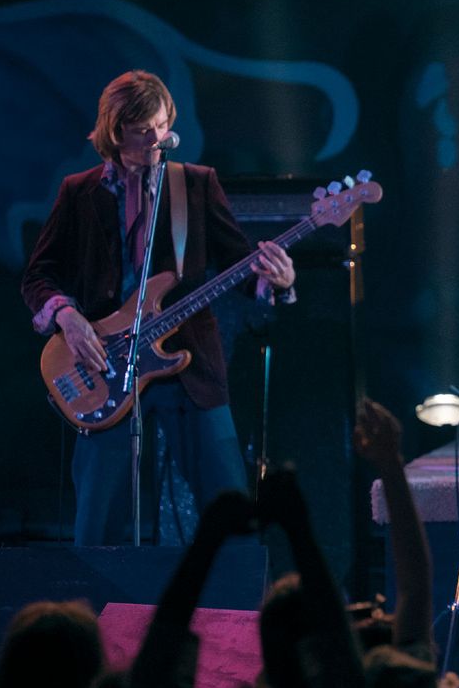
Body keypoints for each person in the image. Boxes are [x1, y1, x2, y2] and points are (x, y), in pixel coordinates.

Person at [21, 70, 295, 545]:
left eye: (162, 126)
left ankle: (231, 617)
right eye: (142, 130)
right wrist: (69, 319)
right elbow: (38, 276)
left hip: (188, 362)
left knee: (230, 509)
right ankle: (95, 618)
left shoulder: (196, 184)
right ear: (115, 130)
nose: (156, 139)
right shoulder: (78, 192)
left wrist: (280, 281)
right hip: (104, 367)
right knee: (96, 527)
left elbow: (241, 265)